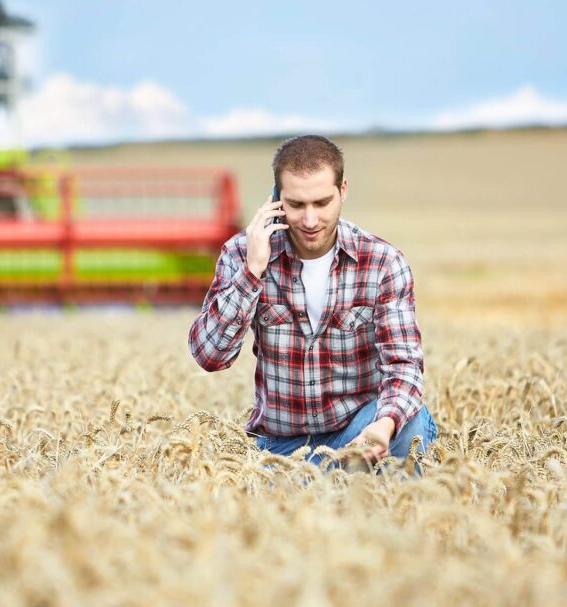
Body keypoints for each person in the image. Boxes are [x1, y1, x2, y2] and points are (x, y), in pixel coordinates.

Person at [188, 135, 438, 473]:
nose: (309, 220)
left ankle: (339, 488)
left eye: (321, 203)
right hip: (282, 447)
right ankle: (332, 483)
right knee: (316, 487)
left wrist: (385, 425)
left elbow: (404, 365)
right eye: (296, 204)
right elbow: (210, 356)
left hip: (360, 429)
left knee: (410, 424)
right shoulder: (241, 254)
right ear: (276, 199)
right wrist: (252, 271)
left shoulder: (382, 262)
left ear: (343, 190)